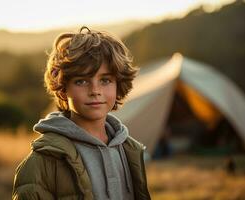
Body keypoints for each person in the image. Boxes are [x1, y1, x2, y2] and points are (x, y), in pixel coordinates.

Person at [12, 26, 151, 200]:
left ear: (118, 85)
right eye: (81, 81)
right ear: (63, 89)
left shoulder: (129, 150)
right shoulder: (42, 162)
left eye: (105, 80)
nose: (95, 90)